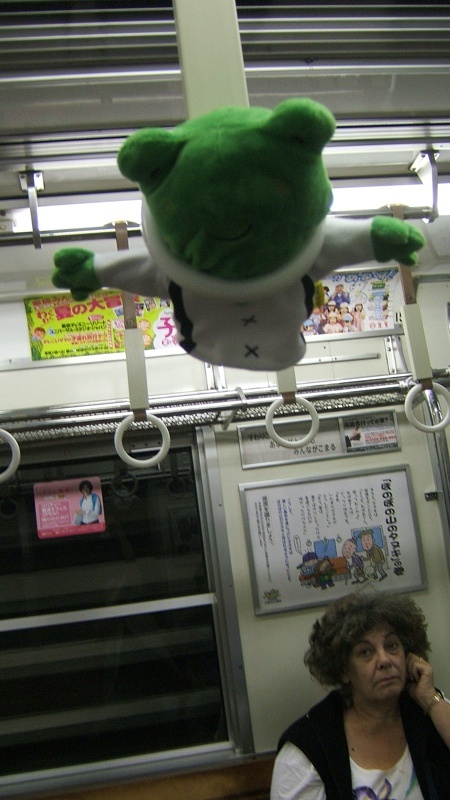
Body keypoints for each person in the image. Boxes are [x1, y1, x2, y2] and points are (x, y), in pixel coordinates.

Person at [271, 591, 450, 800]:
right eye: (366, 652)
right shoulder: (308, 747)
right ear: (343, 670)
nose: (384, 660)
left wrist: (430, 699)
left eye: (392, 646)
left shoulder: (431, 712)